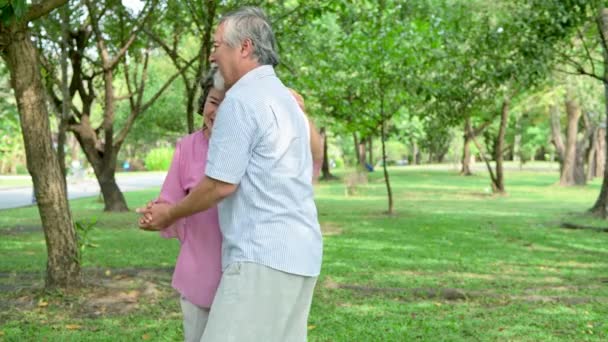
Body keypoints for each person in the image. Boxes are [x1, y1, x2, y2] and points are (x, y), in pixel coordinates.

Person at [138, 7, 323, 341]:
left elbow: (220, 185)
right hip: (302, 257)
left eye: (217, 45)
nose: (211, 55)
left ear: (245, 47)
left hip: (261, 259)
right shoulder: (286, 99)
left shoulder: (240, 99)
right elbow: (313, 157)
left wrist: (170, 214)